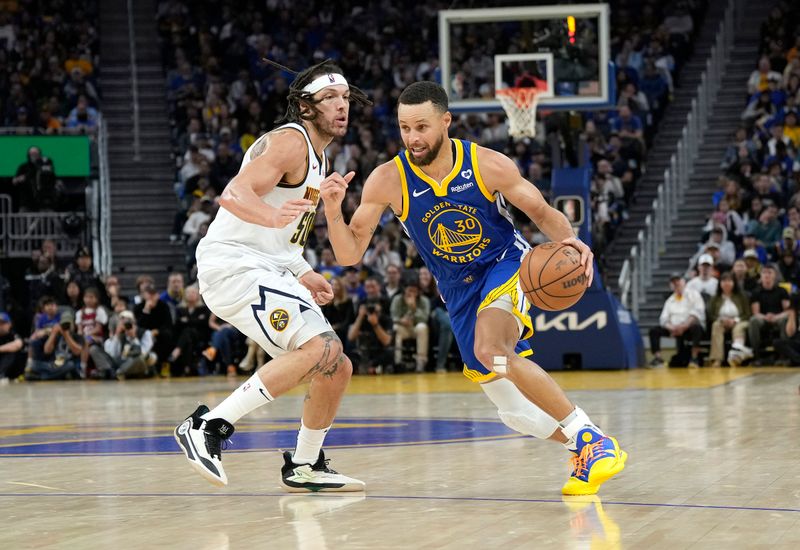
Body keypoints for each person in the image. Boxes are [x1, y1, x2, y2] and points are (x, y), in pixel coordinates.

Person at [320, 81, 626, 495]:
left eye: (422, 127)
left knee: (490, 350)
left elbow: (539, 210)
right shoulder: (388, 179)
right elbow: (349, 254)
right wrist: (333, 211)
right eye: (405, 128)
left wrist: (573, 241)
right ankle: (581, 446)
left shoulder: (486, 165)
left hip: (505, 266)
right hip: (457, 291)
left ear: (445, 121)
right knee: (514, 413)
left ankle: (593, 440)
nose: (413, 137)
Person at [175, 59, 370, 492]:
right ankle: (209, 427)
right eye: (331, 99)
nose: (342, 106)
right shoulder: (289, 142)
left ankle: (305, 463)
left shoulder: (318, 158)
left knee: (335, 366)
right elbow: (233, 194)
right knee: (320, 347)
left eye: (346, 98)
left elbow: (285, 238)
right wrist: (269, 214)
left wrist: (303, 270)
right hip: (233, 264)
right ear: (305, 106)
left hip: (264, 265)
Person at [649, 274, 706, 368]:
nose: (676, 284)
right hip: (673, 328)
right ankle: (658, 358)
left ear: (684, 282)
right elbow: (663, 319)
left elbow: (697, 312)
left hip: (689, 326)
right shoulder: (669, 300)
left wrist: (684, 326)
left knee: (697, 328)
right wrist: (671, 328)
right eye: (673, 282)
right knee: (654, 331)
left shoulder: (694, 294)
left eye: (678, 281)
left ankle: (694, 357)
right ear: (670, 285)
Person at [706, 272, 752, 367]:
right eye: (724, 281)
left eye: (729, 281)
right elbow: (711, 315)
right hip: (722, 321)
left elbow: (747, 314)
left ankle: (737, 357)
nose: (726, 283)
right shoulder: (715, 298)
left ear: (734, 283)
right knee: (716, 326)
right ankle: (717, 359)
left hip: (740, 321)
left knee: (738, 329)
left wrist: (735, 320)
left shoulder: (741, 296)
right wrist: (721, 319)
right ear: (720, 284)